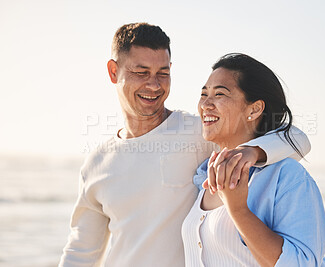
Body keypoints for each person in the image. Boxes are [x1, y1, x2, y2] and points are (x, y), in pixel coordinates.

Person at [59, 23, 311, 267]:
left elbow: (298, 140)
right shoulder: (97, 162)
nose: (154, 85)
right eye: (141, 72)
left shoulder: (200, 133)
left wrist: (252, 151)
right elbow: (81, 252)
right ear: (114, 72)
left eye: (163, 73)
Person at [182, 53, 325, 267]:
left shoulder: (287, 177)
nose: (205, 104)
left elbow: (302, 263)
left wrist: (239, 211)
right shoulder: (204, 176)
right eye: (204, 94)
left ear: (254, 109)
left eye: (219, 94)